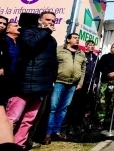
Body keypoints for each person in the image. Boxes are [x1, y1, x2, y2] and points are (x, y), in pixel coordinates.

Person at [6, 12, 58, 148]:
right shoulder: (28, 31)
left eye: (53, 20)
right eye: (47, 20)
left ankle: (19, 145)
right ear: (40, 20)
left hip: (41, 86)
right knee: (12, 118)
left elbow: (53, 62)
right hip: (24, 84)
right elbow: (30, 46)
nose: (51, 22)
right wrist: (46, 31)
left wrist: (51, 79)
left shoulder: (51, 40)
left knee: (29, 120)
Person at [44, 33, 86, 145]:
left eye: (78, 38)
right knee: (53, 108)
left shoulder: (81, 53)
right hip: (58, 82)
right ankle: (47, 133)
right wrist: (51, 79)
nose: (78, 40)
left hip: (72, 84)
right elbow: (50, 64)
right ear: (68, 39)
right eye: (75, 38)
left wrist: (80, 82)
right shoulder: (58, 50)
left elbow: (83, 69)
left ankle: (56, 131)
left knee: (63, 109)